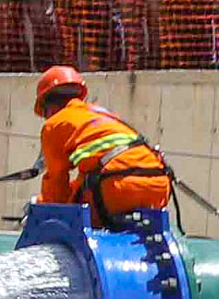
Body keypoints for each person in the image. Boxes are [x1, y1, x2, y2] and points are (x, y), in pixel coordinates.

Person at [29, 65, 174, 225]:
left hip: (118, 188)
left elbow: (56, 187)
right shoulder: (102, 115)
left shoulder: (54, 124)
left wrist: (39, 208)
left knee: (71, 214)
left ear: (48, 107)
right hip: (159, 186)